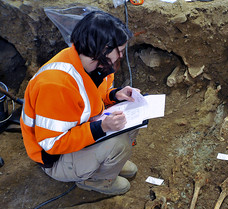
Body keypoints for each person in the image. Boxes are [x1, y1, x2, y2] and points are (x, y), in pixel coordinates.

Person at [21, 11, 140, 195]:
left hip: (79, 133)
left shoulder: (97, 65)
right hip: (55, 158)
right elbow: (52, 144)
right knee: (119, 143)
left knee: (132, 119)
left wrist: (116, 95)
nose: (121, 56)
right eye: (120, 51)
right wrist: (101, 128)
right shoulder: (56, 85)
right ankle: (96, 180)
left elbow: (92, 98)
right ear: (104, 49)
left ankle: (106, 164)